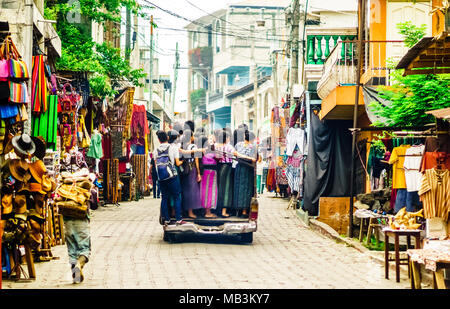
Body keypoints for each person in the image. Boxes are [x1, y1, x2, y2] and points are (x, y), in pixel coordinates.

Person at [154, 130, 185, 225]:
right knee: (176, 196)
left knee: (164, 198)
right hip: (172, 176)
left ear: (159, 140)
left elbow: (156, 164)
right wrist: (183, 160)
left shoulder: (155, 150)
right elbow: (177, 163)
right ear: (167, 138)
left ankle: (166, 219)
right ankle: (178, 219)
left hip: (161, 177)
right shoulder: (172, 148)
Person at [232, 130, 257, 217]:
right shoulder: (253, 147)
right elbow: (254, 159)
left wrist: (240, 156)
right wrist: (248, 158)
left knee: (238, 188)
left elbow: (234, 154)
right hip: (248, 169)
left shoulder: (238, 145)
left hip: (239, 168)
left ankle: (237, 210)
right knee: (246, 189)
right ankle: (244, 211)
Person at [179, 129, 202, 218]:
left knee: (185, 190)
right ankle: (190, 212)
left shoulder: (182, 146)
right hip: (192, 170)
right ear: (192, 137)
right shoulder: (193, 146)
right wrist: (199, 173)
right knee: (192, 191)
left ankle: (184, 211)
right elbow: (196, 160)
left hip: (183, 169)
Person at [215, 130, 235, 218]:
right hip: (227, 167)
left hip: (218, 167)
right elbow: (236, 154)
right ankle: (224, 211)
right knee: (226, 188)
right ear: (226, 138)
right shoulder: (229, 147)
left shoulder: (216, 146)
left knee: (219, 187)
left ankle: (217, 210)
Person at [199, 136, 218, 217]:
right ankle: (208, 212)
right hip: (211, 172)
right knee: (210, 191)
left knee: (204, 191)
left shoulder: (201, 151)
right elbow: (218, 157)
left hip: (205, 172)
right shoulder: (209, 150)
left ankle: (205, 210)